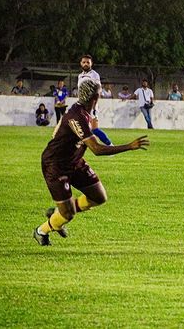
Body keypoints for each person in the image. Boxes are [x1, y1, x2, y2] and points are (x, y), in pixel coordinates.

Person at [33, 79, 149, 246]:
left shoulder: (87, 111)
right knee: (68, 214)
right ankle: (41, 231)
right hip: (56, 166)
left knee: (99, 197)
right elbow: (96, 149)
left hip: (75, 161)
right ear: (95, 97)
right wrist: (129, 146)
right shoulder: (77, 116)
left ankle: (59, 212)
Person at [78, 54, 112, 145]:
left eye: (88, 62)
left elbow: (97, 91)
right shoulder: (80, 76)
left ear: (91, 64)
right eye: (84, 62)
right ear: (81, 63)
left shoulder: (94, 75)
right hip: (82, 106)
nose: (86, 64)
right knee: (81, 129)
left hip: (91, 106)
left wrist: (93, 106)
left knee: (94, 129)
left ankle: (109, 145)